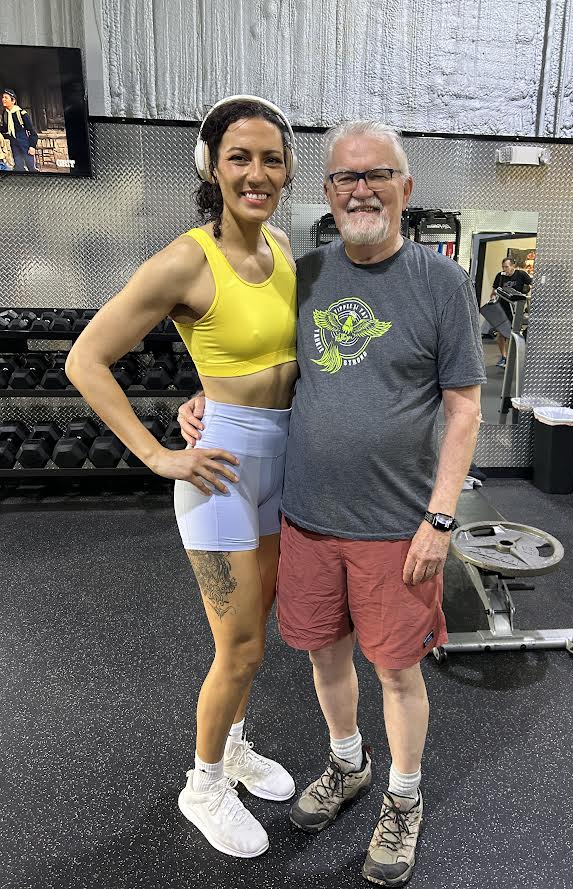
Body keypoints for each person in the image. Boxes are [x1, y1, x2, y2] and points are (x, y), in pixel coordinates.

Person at [179, 119, 486, 886]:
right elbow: (260, 358)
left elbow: (464, 409)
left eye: (377, 174)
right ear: (326, 191)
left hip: (396, 526)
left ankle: (403, 798)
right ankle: (348, 763)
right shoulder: (305, 272)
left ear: (405, 188)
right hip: (307, 520)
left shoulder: (440, 283)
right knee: (324, 653)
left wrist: (439, 517)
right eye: (345, 177)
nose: (361, 189)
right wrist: (207, 399)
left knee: (397, 671)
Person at [66, 95, 300, 860]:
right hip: (219, 472)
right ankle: (202, 784)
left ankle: (232, 746)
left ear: (287, 171)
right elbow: (85, 359)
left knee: (255, 635)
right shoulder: (186, 259)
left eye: (270, 159)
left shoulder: (283, 249)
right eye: (239, 158)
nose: (256, 173)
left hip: (278, 466)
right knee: (239, 647)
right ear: (211, 167)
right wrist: (158, 453)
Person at [489, 256, 532, 367]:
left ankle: (509, 359)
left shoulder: (521, 275)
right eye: (503, 267)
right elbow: (494, 291)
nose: (504, 269)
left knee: (510, 334)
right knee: (500, 334)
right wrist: (493, 298)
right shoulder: (500, 276)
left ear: (513, 266)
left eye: (506, 267)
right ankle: (503, 357)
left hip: (515, 308)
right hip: (502, 307)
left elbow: (533, 283)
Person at [1, 89, 38, 172]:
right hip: (14, 144)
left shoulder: (21, 113)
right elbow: (5, 128)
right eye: (3, 97)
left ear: (13, 101)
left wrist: (32, 146)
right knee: (18, 167)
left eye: (6, 97)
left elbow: (32, 131)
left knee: (31, 167)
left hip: (25, 143)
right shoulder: (5, 114)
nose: (3, 99)